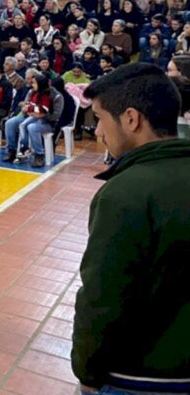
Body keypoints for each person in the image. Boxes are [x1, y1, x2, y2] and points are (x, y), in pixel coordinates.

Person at [72, 63, 190, 393]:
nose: (97, 132)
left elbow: (102, 300)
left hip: (139, 376)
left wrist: (87, 372)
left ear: (131, 119)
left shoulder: (125, 193)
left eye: (100, 119)